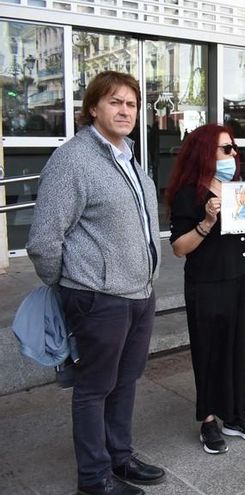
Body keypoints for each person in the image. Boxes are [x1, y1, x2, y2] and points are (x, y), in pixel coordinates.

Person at [27, 71, 166, 495]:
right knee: (93, 389)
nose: (125, 111)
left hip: (139, 293)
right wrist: (69, 286)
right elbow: (43, 239)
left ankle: (119, 457)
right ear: (93, 108)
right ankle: (94, 479)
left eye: (131, 104)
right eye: (114, 102)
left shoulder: (129, 158)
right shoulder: (74, 159)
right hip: (98, 295)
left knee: (125, 381)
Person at [167, 124, 245, 454]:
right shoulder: (190, 194)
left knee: (239, 346)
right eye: (226, 149)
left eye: (233, 148)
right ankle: (208, 419)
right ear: (205, 153)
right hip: (208, 282)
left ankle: (236, 412)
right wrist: (206, 223)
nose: (233, 155)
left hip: (242, 278)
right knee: (210, 351)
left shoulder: (237, 187)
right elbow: (179, 247)